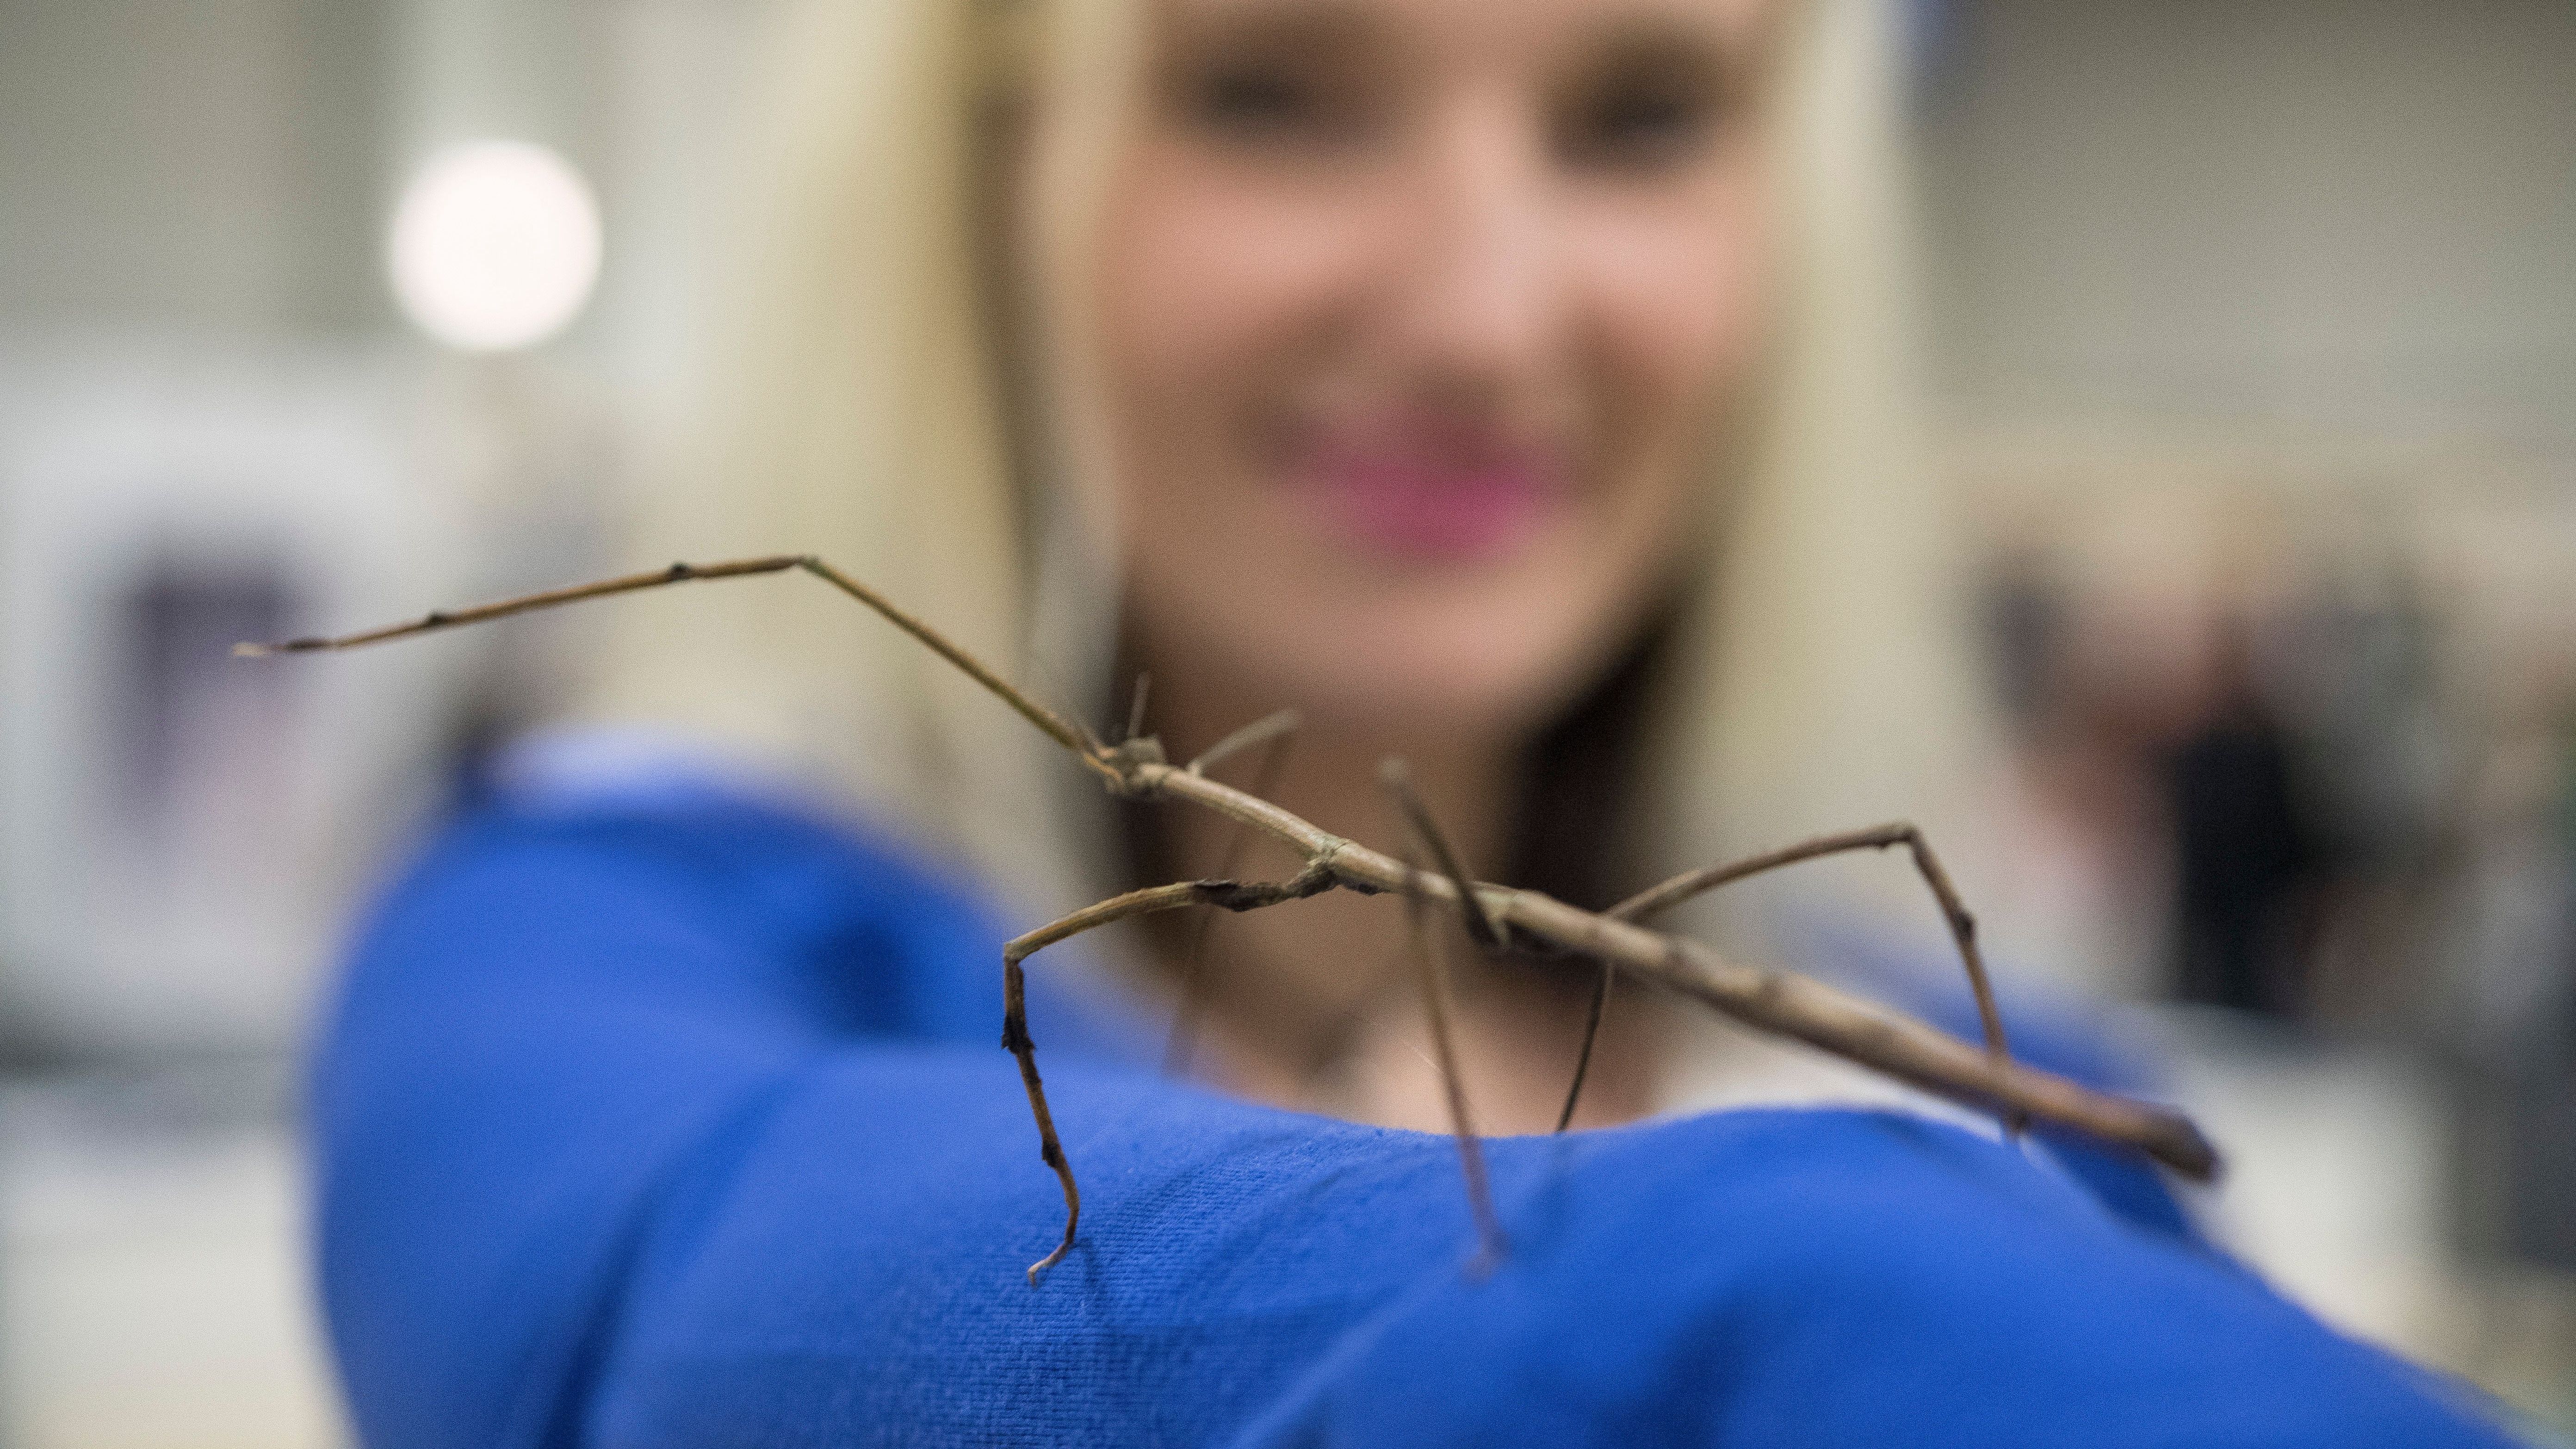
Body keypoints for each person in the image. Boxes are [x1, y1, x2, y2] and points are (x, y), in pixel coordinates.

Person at [310, 0, 2522, 1443]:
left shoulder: (2043, 1109)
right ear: (984, 183)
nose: (1480, 313)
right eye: (1270, 83)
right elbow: (647, 1316)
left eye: (1642, 112)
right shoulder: (609, 952)